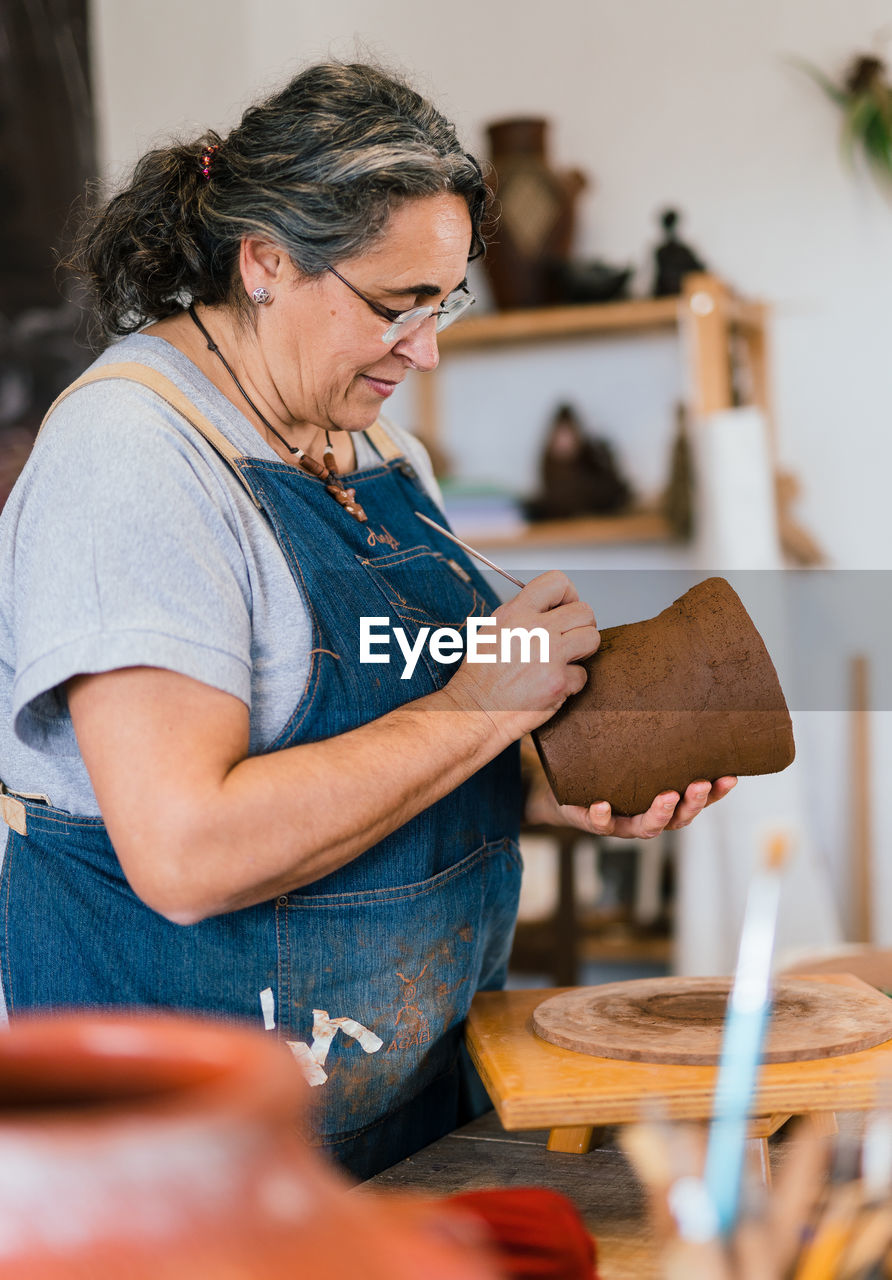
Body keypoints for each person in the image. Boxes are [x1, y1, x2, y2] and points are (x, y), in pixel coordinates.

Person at [0, 62, 735, 1179]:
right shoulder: (133, 461)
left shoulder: (381, 450)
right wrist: (477, 705)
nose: (425, 348)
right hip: (187, 1163)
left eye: (444, 304)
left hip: (407, 1105)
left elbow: (415, 740)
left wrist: (572, 774)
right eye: (396, 306)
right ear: (264, 262)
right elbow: (187, 851)